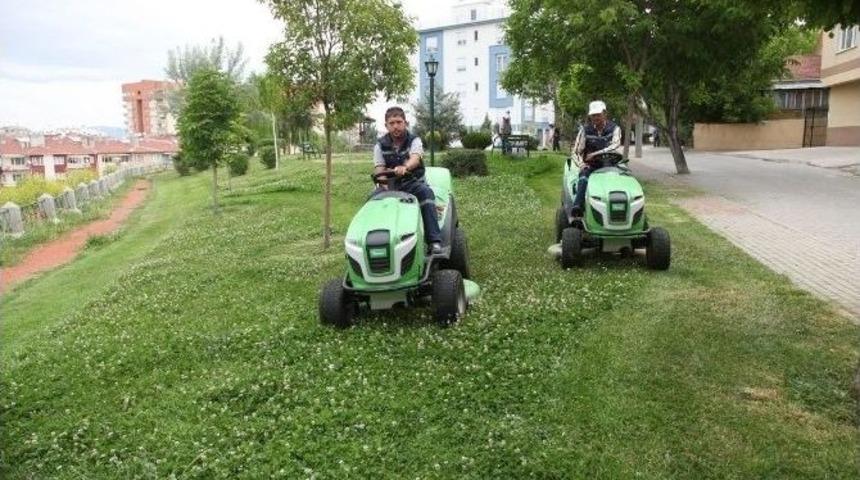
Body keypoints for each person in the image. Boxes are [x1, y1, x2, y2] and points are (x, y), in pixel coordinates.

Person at [373, 106, 443, 254]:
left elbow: (415, 159)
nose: (395, 126)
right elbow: (379, 168)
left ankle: (434, 241)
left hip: (412, 182)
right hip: (391, 185)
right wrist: (384, 184)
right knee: (372, 199)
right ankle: (376, 242)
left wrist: (404, 167)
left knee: (426, 193)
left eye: (399, 122)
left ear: (405, 123)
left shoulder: (414, 140)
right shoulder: (379, 145)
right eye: (391, 123)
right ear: (386, 125)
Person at [570, 100, 621, 216]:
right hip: (591, 165)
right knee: (583, 177)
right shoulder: (585, 130)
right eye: (593, 115)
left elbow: (615, 145)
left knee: (621, 180)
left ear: (605, 114)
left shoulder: (614, 129)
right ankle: (578, 206)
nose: (596, 118)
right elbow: (576, 152)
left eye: (598, 115)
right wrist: (582, 164)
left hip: (610, 165)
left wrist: (595, 153)